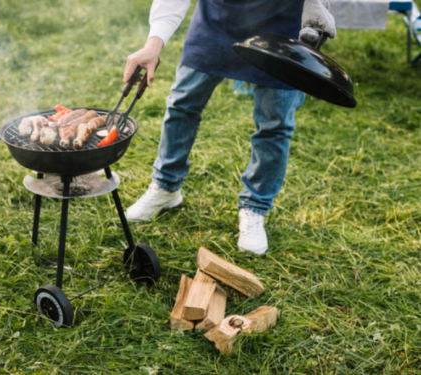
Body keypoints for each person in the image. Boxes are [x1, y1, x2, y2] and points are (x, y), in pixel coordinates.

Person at [124, 0, 336, 255]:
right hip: (217, 20)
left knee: (275, 124)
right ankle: (166, 186)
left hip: (282, 24)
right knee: (182, 105)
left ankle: (255, 207)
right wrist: (153, 43)